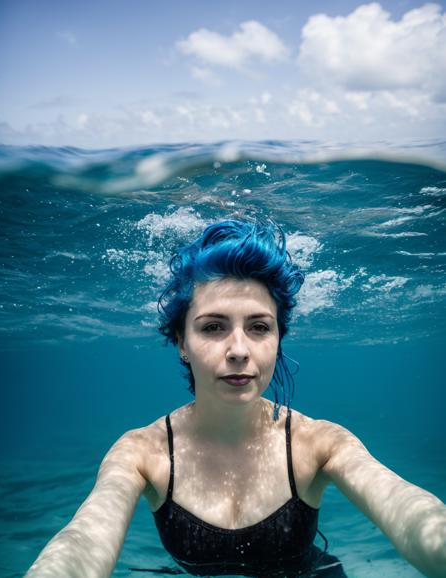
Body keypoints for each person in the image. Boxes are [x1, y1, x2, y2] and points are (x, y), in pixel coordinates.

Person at [25, 219, 446, 578]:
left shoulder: (320, 443)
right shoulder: (142, 452)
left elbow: (411, 513)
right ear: (181, 343)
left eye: (260, 327)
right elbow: (82, 540)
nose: (239, 349)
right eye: (213, 327)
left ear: (278, 339)